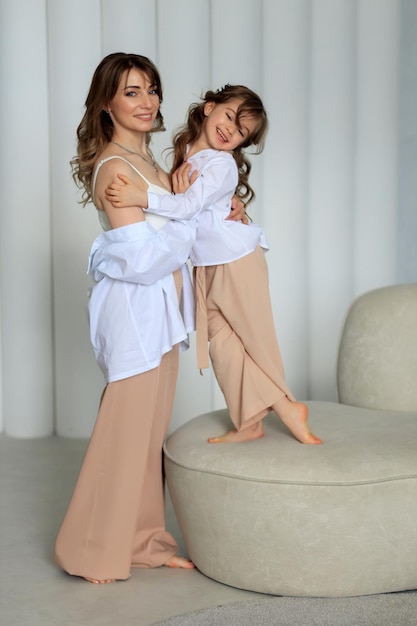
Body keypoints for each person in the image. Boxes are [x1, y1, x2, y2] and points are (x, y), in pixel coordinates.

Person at [53, 53, 245, 585]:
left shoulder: (158, 167)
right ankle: (89, 549)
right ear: (107, 102)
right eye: (132, 91)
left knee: (146, 437)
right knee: (122, 433)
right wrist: (184, 216)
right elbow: (142, 259)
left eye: (152, 90)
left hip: (165, 319)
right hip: (136, 317)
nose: (147, 102)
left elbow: (190, 227)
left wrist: (224, 211)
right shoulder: (116, 169)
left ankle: (143, 541)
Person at [105, 84, 322, 446]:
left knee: (255, 340)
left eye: (241, 132)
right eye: (229, 117)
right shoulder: (186, 152)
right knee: (222, 346)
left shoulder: (221, 164)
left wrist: (138, 197)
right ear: (209, 107)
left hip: (236, 260)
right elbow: (195, 208)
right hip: (205, 264)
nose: (230, 130)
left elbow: (189, 207)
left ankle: (288, 406)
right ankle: (250, 418)